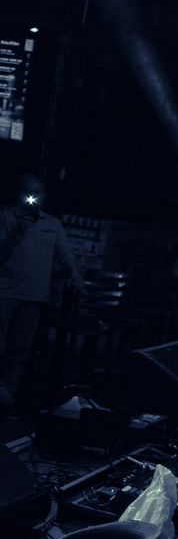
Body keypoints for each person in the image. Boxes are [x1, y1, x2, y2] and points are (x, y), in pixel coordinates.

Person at [0, 173, 82, 410]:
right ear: (19, 194)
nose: (32, 198)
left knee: (19, 352)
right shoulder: (5, 217)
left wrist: (74, 273)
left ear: (44, 196)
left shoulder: (52, 224)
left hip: (33, 298)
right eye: (28, 192)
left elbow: (64, 252)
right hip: (5, 294)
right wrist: (17, 232)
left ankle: (8, 397)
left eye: (37, 193)